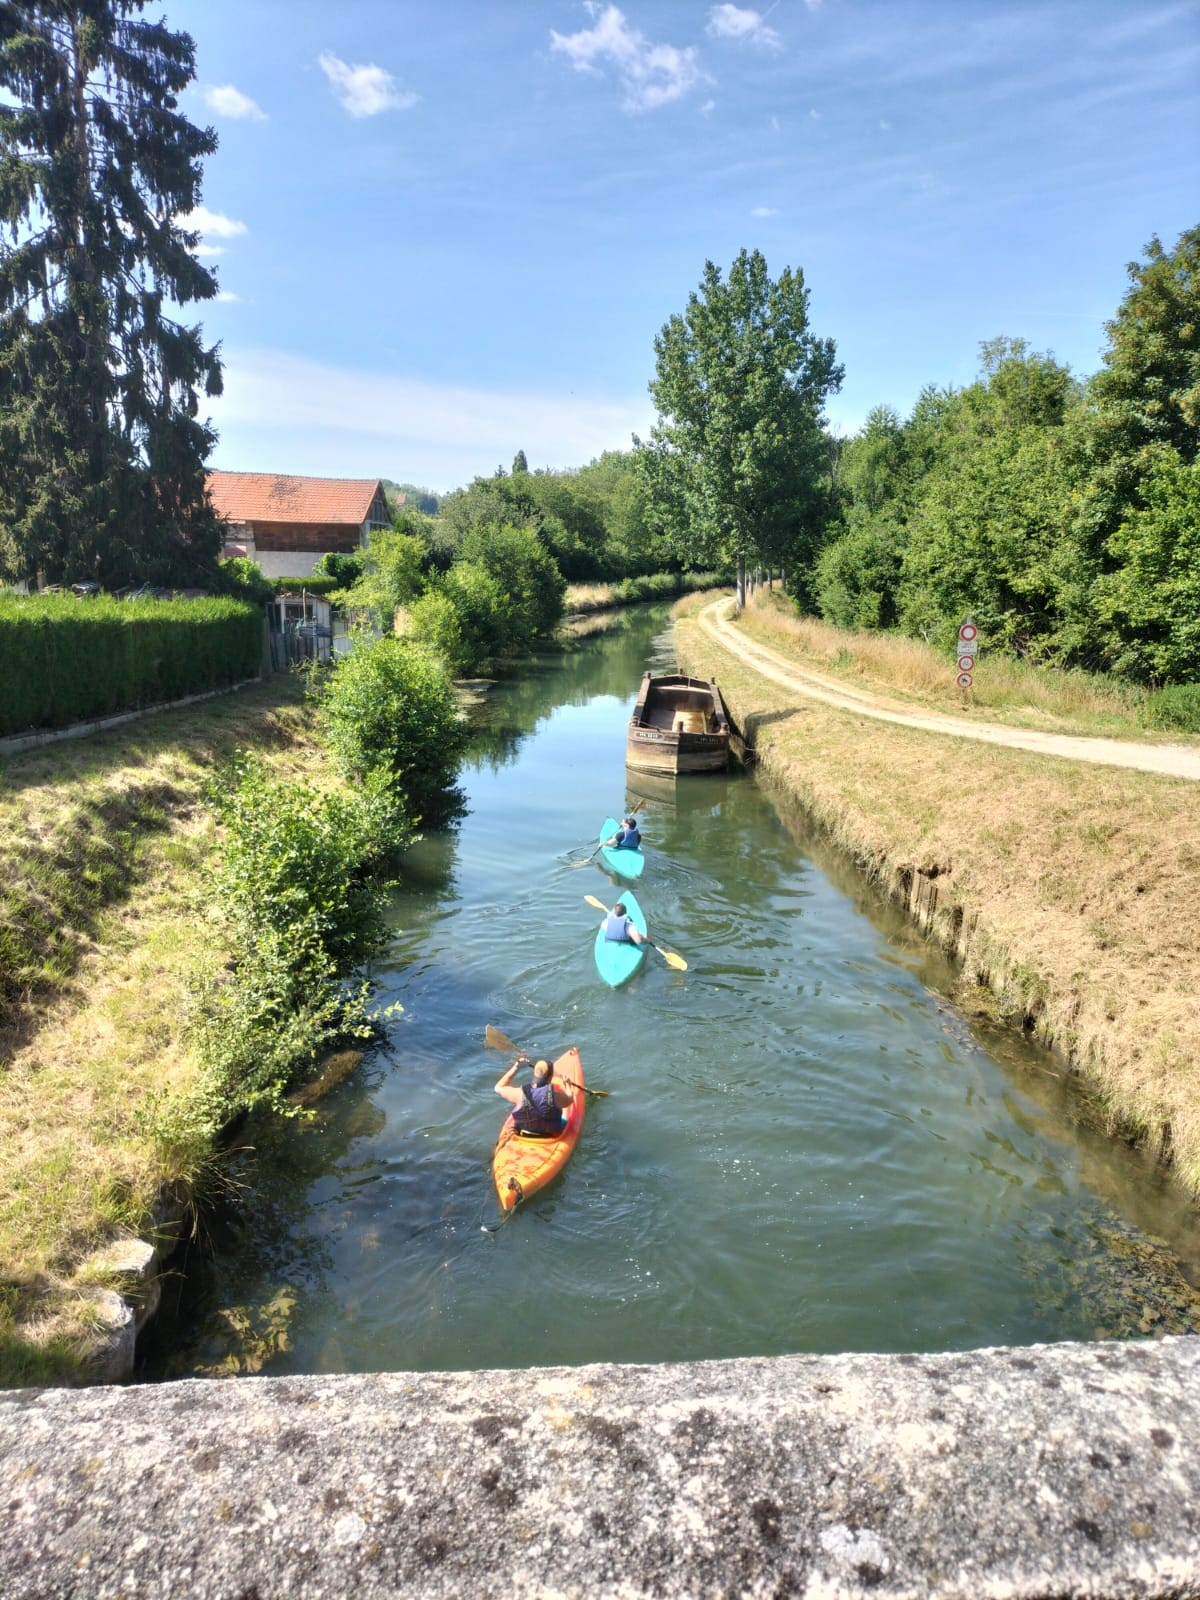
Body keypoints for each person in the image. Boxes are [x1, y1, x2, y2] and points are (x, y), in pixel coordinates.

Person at [494, 1054, 575, 1136]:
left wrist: (516, 1067)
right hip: (550, 1135)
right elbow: (569, 1099)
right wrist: (567, 1085)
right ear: (550, 1077)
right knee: (564, 1119)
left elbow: (498, 1087)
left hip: (524, 1133)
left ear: (534, 1074)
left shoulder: (519, 1093)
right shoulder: (555, 1096)